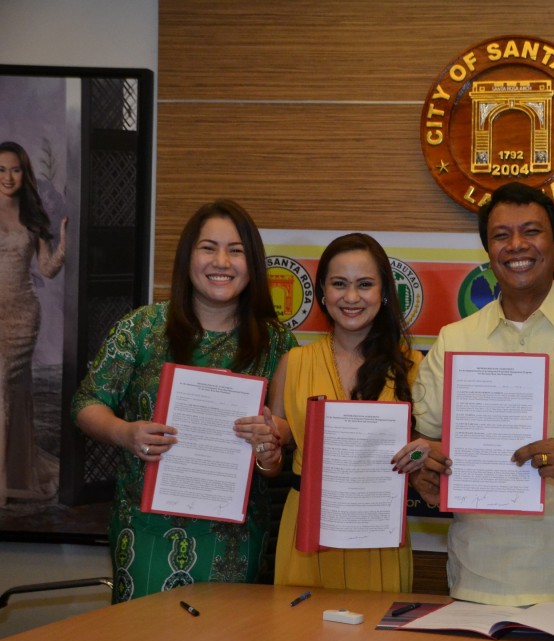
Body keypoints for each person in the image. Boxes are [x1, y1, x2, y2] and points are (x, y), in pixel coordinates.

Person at [394, 181, 554, 606]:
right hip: (478, 575)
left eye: (531, 232)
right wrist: (426, 470)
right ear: (488, 252)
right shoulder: (455, 339)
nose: (517, 245)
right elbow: (431, 443)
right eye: (501, 235)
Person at [72, 199, 296, 603]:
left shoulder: (277, 342)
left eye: (236, 250)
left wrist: (270, 443)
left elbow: (281, 435)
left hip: (234, 537)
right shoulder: (141, 328)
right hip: (147, 528)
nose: (221, 261)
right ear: (188, 257)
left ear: (254, 263)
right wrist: (125, 433)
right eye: (208, 247)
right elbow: (87, 403)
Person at [271, 233, 424, 591]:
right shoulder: (294, 363)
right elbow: (273, 457)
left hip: (379, 535)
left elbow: (430, 447)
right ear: (323, 292)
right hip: (305, 534)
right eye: (339, 284)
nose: (351, 297)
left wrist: (416, 455)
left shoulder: (413, 366)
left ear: (384, 293)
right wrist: (265, 446)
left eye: (365, 285)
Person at [0, 141, 68, 505]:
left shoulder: (31, 215)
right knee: (7, 393)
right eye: (1, 170)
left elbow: (46, 270)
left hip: (22, 315)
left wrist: (63, 248)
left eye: (15, 169)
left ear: (24, 173)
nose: (8, 177)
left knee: (3, 390)